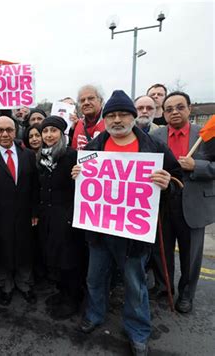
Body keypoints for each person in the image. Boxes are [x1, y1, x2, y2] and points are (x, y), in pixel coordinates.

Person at [72, 90, 181, 356]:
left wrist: (168, 184)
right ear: (105, 118)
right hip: (99, 231)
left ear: (133, 117)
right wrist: (76, 175)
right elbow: (83, 184)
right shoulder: (94, 146)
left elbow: (178, 181)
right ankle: (95, 315)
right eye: (111, 115)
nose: (117, 119)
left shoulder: (154, 147)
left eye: (123, 114)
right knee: (95, 278)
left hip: (134, 236)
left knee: (135, 285)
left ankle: (138, 331)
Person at [150, 91, 215, 313]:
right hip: (163, 202)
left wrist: (197, 166)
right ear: (164, 113)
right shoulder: (156, 136)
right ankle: (162, 287)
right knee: (161, 250)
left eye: (179, 107)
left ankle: (186, 295)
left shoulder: (205, 135)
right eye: (169, 109)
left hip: (193, 203)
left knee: (191, 254)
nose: (174, 112)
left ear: (189, 109)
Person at [0, 116, 39, 306]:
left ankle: (25, 284)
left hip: (24, 215)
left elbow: (35, 186)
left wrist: (35, 211)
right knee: (1, 253)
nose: (5, 134)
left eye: (9, 130)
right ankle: (6, 286)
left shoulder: (27, 155)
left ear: (16, 131)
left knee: (24, 250)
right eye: (0, 130)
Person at [36, 116, 84, 318]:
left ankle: (72, 299)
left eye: (53, 131)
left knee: (69, 259)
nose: (48, 135)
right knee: (55, 257)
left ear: (62, 134)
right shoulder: (40, 157)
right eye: (45, 131)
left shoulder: (72, 156)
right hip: (48, 216)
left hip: (68, 216)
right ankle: (63, 292)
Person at [71, 85, 106, 150]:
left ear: (101, 101)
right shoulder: (78, 125)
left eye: (91, 98)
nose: (86, 103)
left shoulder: (109, 124)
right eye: (82, 100)